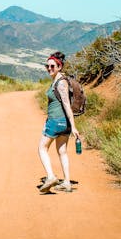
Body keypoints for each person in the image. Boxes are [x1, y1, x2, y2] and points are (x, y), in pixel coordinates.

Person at [38, 51, 80, 193]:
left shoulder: (61, 82)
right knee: (62, 151)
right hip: (64, 124)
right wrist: (70, 126)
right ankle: (67, 182)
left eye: (52, 66)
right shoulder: (58, 80)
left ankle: (51, 177)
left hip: (56, 121)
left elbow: (67, 105)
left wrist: (74, 126)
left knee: (42, 148)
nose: (49, 69)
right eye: (47, 66)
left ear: (59, 66)